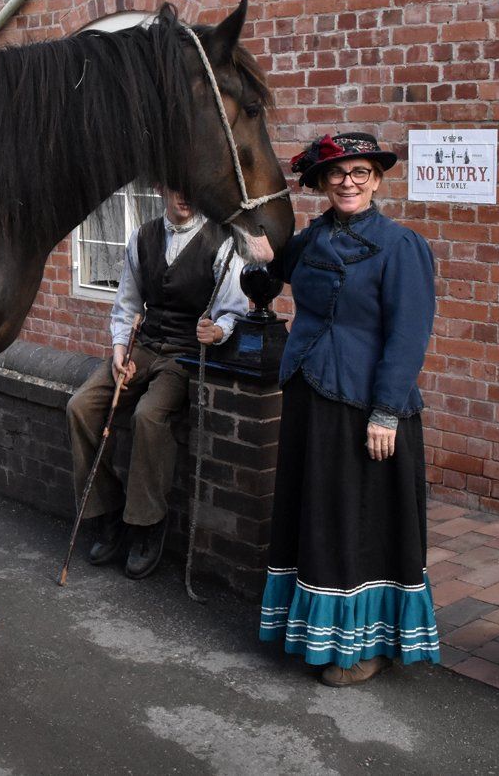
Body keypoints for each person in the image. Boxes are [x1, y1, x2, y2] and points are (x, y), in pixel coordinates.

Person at [259, 132, 440, 686]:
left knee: (357, 521)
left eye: (360, 172)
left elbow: (408, 335)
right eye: (336, 173)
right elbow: (270, 278)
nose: (348, 182)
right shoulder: (310, 240)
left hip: (365, 404)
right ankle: (316, 632)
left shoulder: (400, 246)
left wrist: (386, 412)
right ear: (319, 183)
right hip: (310, 396)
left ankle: (366, 645)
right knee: (316, 513)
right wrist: (257, 256)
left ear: (378, 180)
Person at [66, 188, 249, 579]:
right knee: (80, 407)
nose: (187, 197)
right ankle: (107, 513)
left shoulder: (221, 245)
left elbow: (233, 311)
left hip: (182, 357)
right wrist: (119, 350)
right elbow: (128, 305)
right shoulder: (143, 236)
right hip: (143, 347)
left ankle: (146, 525)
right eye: (178, 188)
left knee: (150, 417)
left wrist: (216, 331)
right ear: (165, 189)